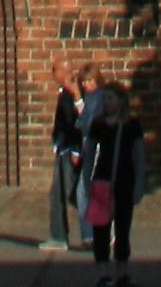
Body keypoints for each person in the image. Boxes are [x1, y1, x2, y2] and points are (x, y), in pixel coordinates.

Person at [82, 83, 146, 273]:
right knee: (101, 229)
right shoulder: (98, 124)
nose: (107, 102)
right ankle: (103, 273)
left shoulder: (132, 125)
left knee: (123, 228)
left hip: (125, 180)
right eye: (105, 98)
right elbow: (90, 154)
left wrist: (139, 184)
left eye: (111, 98)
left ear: (121, 101)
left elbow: (140, 155)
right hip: (102, 180)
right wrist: (87, 181)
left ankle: (122, 271)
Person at [47, 64, 89, 252]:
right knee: (59, 194)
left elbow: (76, 123)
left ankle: (94, 232)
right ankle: (59, 236)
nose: (52, 72)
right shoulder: (65, 92)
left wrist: (76, 150)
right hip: (64, 148)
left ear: (64, 70)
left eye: (55, 68)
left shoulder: (72, 92)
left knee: (72, 194)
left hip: (70, 149)